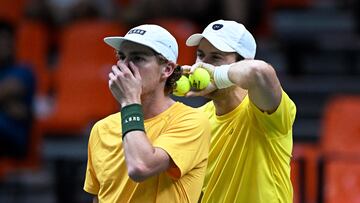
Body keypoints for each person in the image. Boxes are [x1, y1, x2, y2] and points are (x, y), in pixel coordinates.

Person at [83, 24, 211, 203]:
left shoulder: (192, 121)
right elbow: (99, 197)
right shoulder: (101, 129)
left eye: (137, 58)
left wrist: (129, 101)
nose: (125, 66)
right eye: (122, 57)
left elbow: (141, 166)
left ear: (167, 69)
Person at [183, 19, 296, 202]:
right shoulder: (198, 119)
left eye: (216, 57)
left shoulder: (263, 112)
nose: (201, 66)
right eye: (200, 55)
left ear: (242, 62)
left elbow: (259, 71)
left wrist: (218, 76)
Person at [0, 20, 36, 158]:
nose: (4, 44)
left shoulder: (23, 70)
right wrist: (8, 106)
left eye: (7, 39)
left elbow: (9, 89)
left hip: (12, 137)